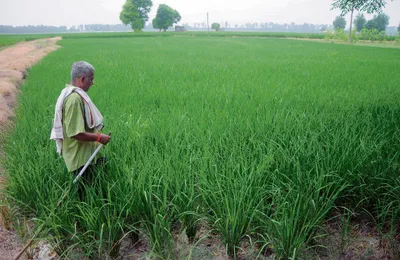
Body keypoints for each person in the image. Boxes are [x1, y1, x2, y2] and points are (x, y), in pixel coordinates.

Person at [51, 61, 111, 194]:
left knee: (102, 180)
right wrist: (100, 137)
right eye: (91, 79)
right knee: (85, 196)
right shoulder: (74, 99)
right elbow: (75, 133)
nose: (92, 82)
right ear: (82, 79)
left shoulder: (74, 95)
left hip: (88, 154)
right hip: (81, 159)